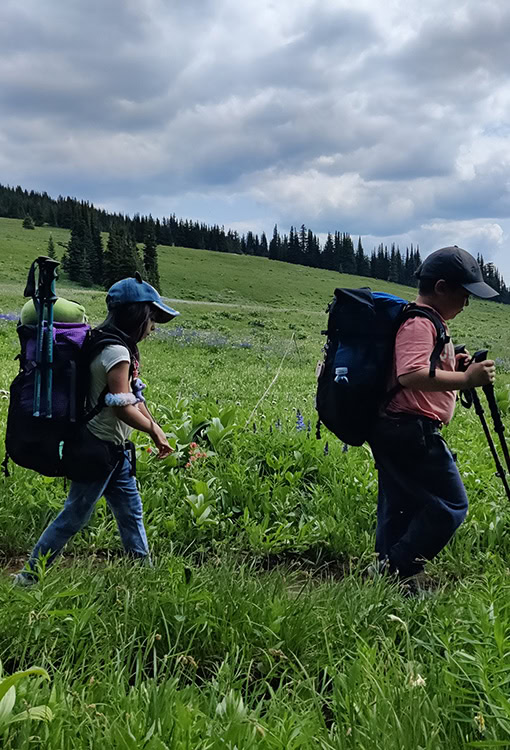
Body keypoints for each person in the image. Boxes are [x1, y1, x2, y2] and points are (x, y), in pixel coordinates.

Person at [14, 274, 178, 583]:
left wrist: (153, 424)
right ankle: (28, 577)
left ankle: (144, 575)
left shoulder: (109, 341)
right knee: (74, 516)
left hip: (115, 453)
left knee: (131, 513)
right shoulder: (117, 353)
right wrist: (154, 432)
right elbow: (120, 404)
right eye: (152, 318)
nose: (153, 327)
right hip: (97, 449)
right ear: (137, 315)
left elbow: (133, 396)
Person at [369, 245, 497, 586]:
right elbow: (410, 375)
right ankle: (397, 567)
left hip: (396, 428)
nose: (467, 303)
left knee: (399, 503)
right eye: (464, 295)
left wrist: (452, 365)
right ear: (441, 288)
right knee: (451, 503)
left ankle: (392, 579)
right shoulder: (419, 323)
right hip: (410, 430)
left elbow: (420, 368)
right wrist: (467, 379)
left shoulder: (426, 321)